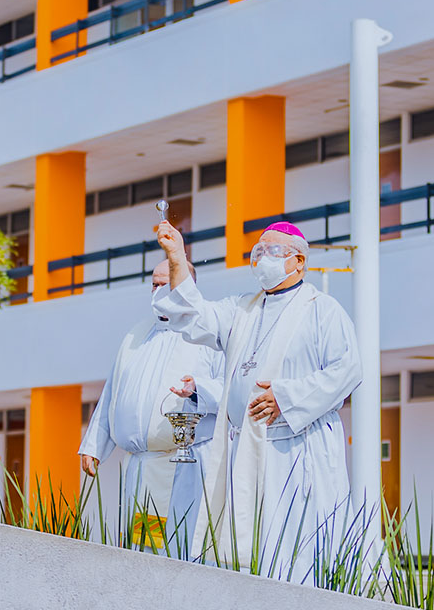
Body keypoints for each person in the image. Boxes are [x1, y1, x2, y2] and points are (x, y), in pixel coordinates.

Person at [153, 219, 362, 583]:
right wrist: (176, 257)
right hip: (243, 450)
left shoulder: (322, 310)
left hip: (295, 450)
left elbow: (348, 369)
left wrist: (286, 397)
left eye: (273, 250)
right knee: (245, 555)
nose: (263, 256)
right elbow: (192, 316)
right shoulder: (242, 310)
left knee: (292, 555)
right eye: (258, 250)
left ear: (298, 261)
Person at [78, 260, 224, 556]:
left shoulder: (209, 333)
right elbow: (114, 393)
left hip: (184, 466)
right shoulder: (137, 334)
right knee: (143, 550)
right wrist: (94, 444)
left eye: (166, 284)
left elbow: (231, 387)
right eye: (154, 285)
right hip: (141, 468)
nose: (157, 291)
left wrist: (198, 390)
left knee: (179, 551)